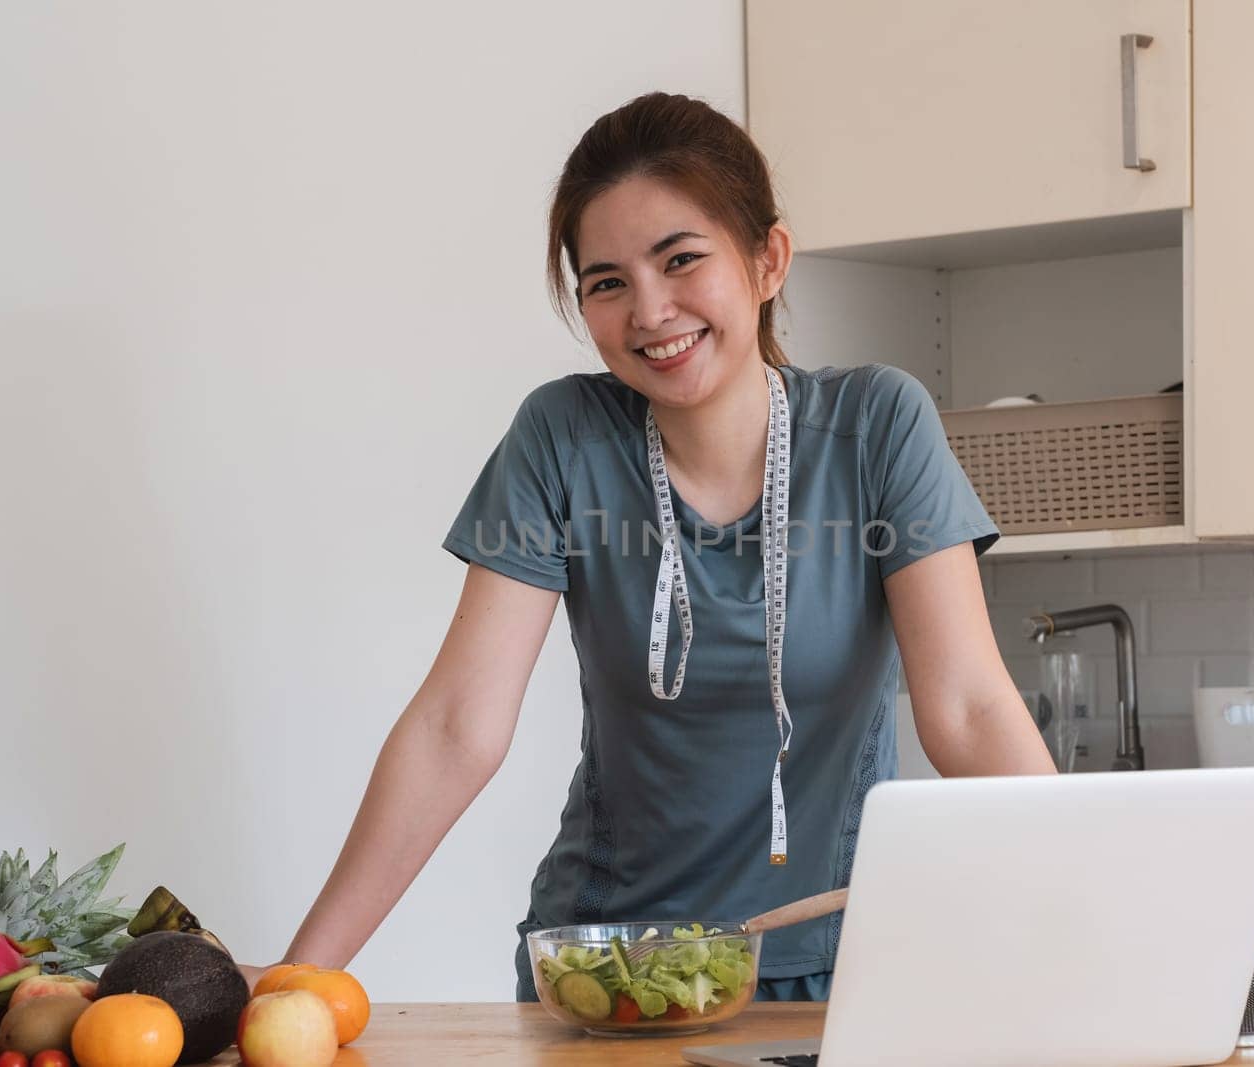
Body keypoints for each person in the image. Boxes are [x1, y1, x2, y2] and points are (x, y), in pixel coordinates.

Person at [254, 91, 1055, 1002]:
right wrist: (296, 979)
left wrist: (1093, 907)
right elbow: (454, 729)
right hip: (607, 977)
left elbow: (969, 709)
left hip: (841, 967)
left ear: (767, 260)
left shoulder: (877, 426)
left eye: (681, 261)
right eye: (607, 283)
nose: (650, 312)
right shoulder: (562, 438)